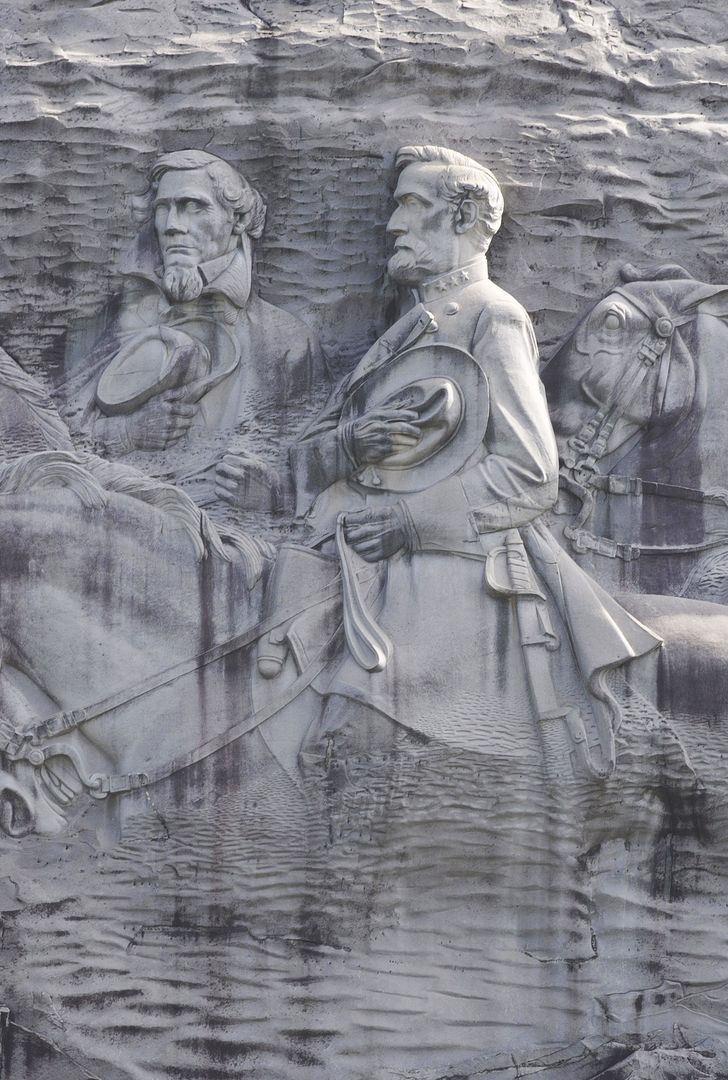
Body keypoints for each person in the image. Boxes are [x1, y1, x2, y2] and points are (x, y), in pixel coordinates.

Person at [283, 145, 660, 775]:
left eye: (411, 205)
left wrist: (411, 523)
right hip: (351, 546)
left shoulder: (494, 316)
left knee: (347, 742)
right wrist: (350, 446)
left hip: (450, 559)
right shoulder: (407, 328)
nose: (392, 225)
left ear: (464, 219)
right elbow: (313, 453)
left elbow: (530, 473)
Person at [63, 150, 322, 509]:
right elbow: (57, 433)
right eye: (163, 208)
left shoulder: (287, 342)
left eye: (192, 206)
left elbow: (322, 470)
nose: (172, 225)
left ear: (238, 219)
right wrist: (128, 432)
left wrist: (275, 495)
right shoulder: (121, 323)